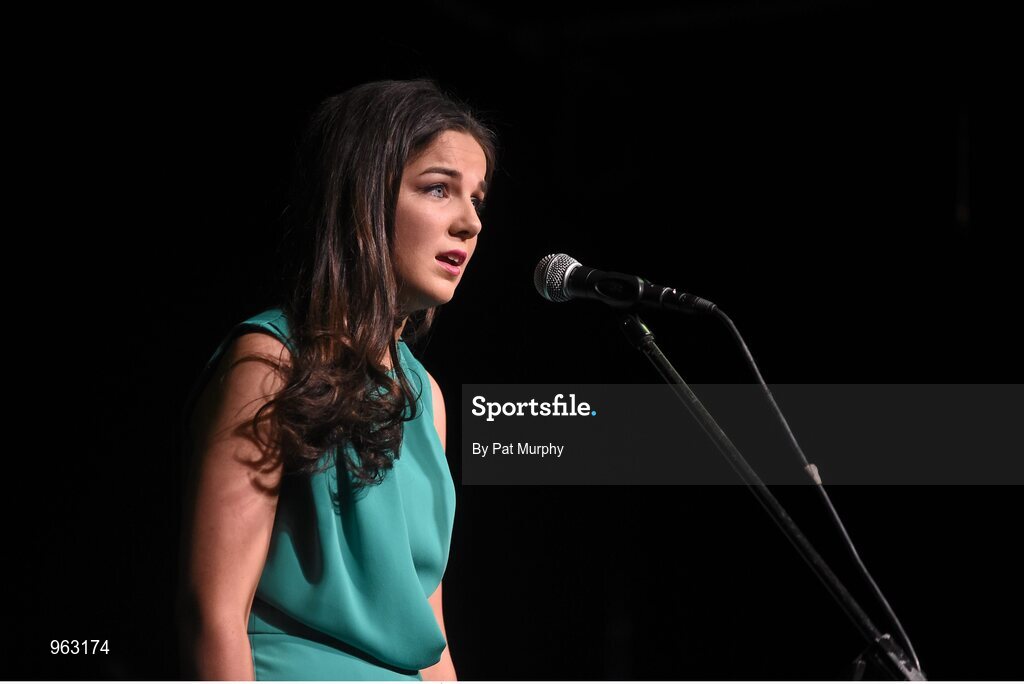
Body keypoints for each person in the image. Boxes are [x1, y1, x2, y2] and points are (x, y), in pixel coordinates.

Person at [175, 78, 497, 681]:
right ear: (364, 200)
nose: (470, 223)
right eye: (438, 189)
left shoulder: (425, 399)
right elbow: (212, 612)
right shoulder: (270, 361)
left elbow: (429, 635)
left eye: (478, 200)